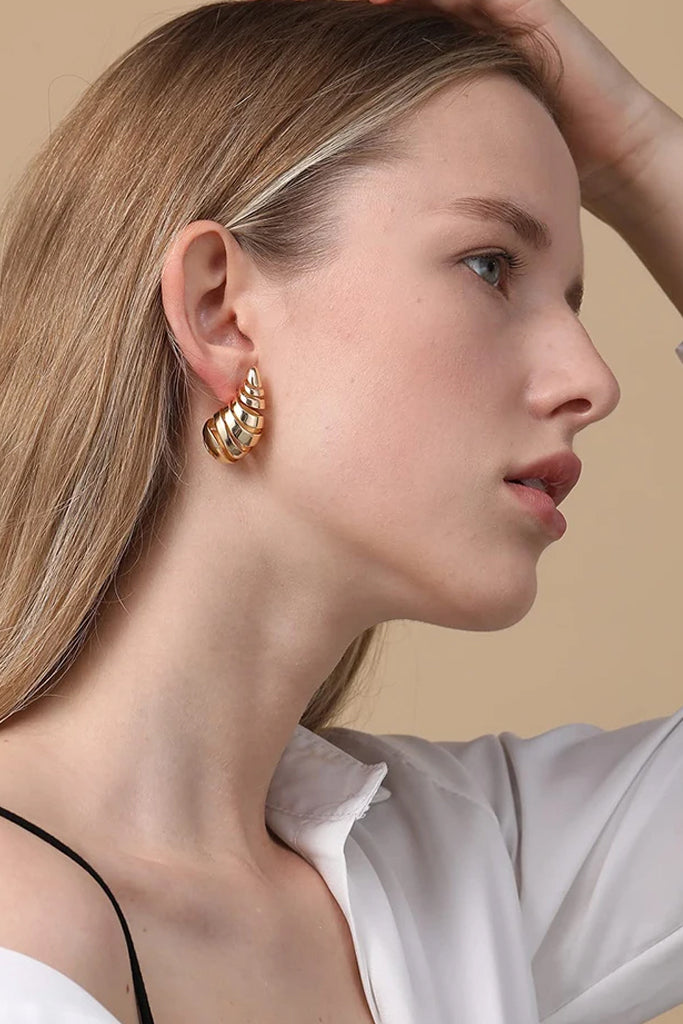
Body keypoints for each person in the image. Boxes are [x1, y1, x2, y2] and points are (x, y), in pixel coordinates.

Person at [0, 0, 680, 1021]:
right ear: (221, 310)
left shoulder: (461, 873)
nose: (591, 380)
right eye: (491, 266)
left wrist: (638, 153)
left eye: (570, 302)